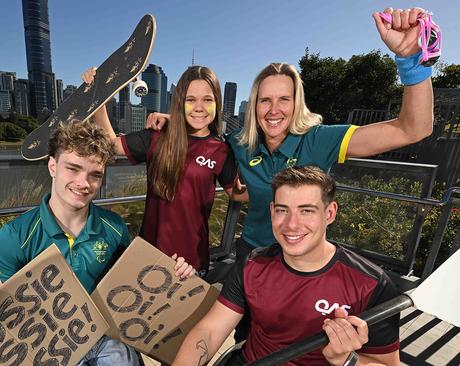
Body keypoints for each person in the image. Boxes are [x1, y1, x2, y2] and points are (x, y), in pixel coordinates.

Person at [146, 7, 435, 262]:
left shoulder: (320, 139)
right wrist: (178, 120)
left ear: (298, 103)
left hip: (303, 262)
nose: (274, 110)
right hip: (251, 256)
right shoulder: (239, 143)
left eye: (284, 99)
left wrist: (410, 62)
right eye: (264, 100)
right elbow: (211, 149)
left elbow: (413, 128)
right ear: (254, 105)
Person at [0, 121, 195, 366]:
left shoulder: (114, 227)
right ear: (52, 166)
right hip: (51, 345)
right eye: (73, 168)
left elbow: (136, 283)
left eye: (95, 175)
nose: (84, 183)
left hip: (106, 336)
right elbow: (3, 305)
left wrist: (173, 273)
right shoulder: (15, 236)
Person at [171, 166, 400, 366]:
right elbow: (209, 332)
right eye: (282, 210)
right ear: (271, 211)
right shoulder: (253, 264)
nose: (291, 224)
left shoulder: (371, 284)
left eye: (306, 211)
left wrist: (346, 361)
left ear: (329, 214)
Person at [83, 65, 244, 277]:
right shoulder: (158, 136)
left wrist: (279, 187)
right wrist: (98, 98)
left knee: (187, 311)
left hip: (193, 260)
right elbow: (111, 145)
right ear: (179, 102)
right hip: (150, 252)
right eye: (190, 99)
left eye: (207, 99)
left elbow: (236, 192)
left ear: (217, 103)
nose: (199, 107)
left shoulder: (221, 150)